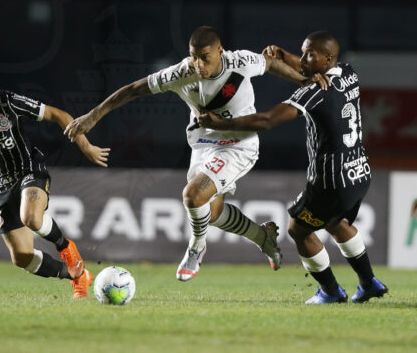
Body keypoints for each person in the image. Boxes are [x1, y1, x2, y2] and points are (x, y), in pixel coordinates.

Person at [65, 26, 328, 281]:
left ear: (220, 52)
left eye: (205, 57)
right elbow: (135, 88)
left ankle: (196, 248)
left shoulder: (240, 62)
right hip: (203, 145)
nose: (199, 64)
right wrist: (94, 115)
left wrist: (304, 81)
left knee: (192, 195)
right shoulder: (180, 73)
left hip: (239, 145)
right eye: (194, 57)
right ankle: (263, 237)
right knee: (211, 213)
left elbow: (270, 63)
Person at [193, 30, 388, 304]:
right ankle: (369, 283)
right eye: (303, 52)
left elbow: (266, 121)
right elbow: (310, 68)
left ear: (328, 58)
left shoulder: (314, 92)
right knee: (335, 223)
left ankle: (331, 291)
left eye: (311, 54)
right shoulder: (348, 72)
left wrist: (218, 124)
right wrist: (284, 56)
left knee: (298, 229)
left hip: (331, 181)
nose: (304, 59)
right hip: (359, 172)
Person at [0, 54, 110, 299]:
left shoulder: (7, 101)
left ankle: (66, 247)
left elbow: (59, 115)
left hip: (29, 170)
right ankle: (75, 275)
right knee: (21, 258)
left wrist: (87, 147)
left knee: (30, 217)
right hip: (1, 187)